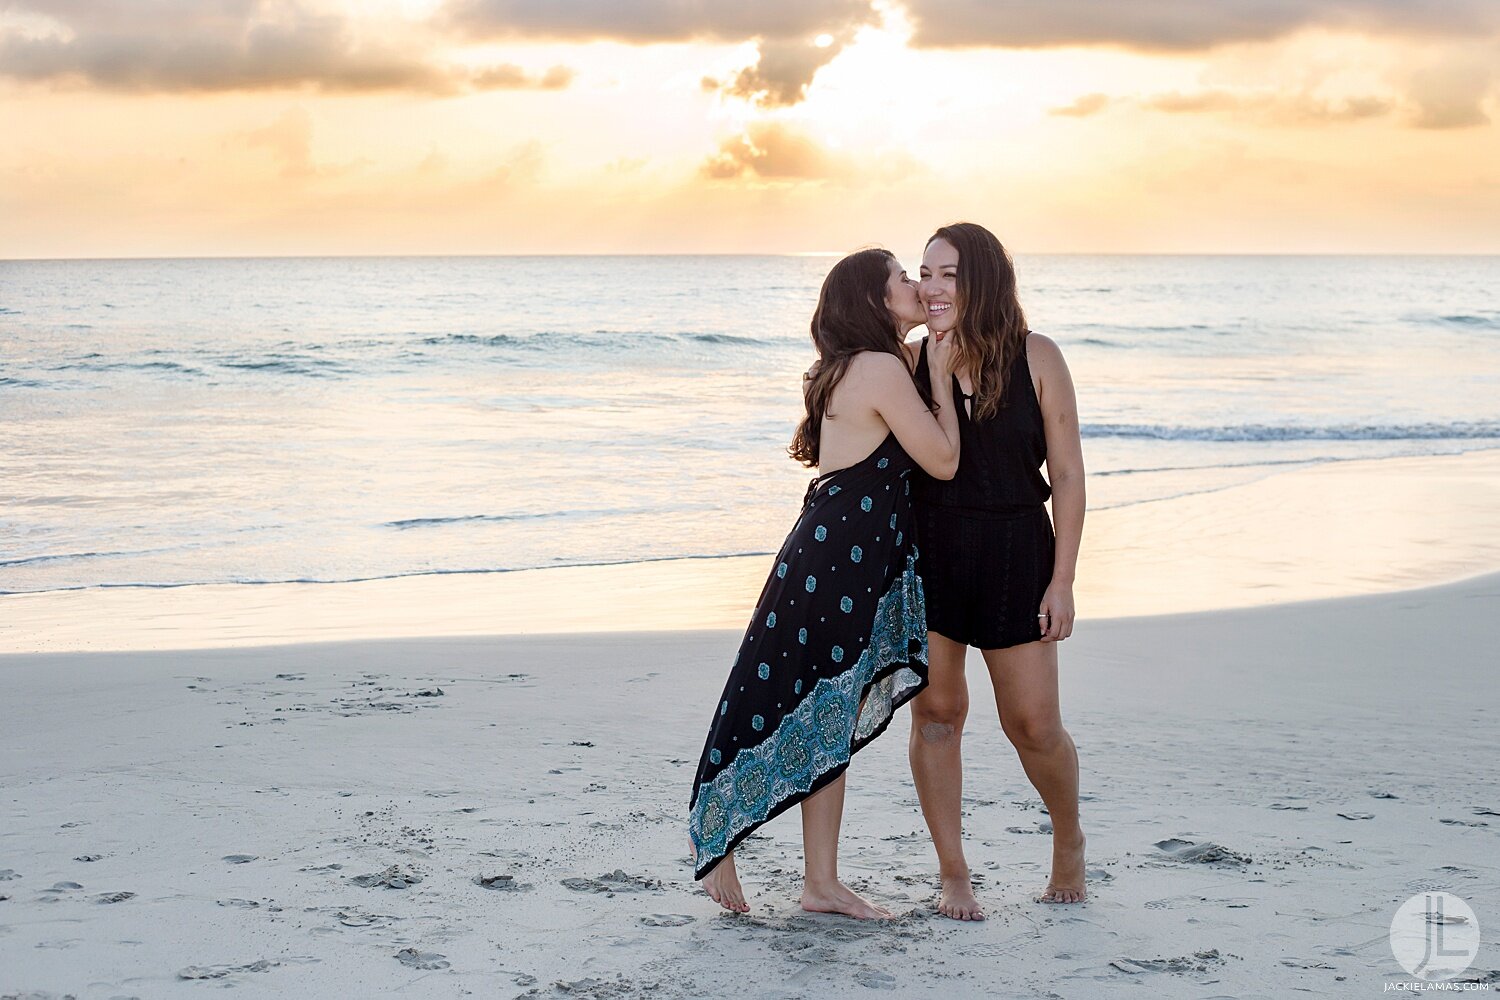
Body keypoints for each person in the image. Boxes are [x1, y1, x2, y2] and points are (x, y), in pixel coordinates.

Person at [689, 248, 961, 918]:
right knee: (798, 702)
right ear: (872, 300)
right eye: (900, 277)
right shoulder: (876, 367)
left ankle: (818, 882)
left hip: (830, 550)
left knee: (815, 709)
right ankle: (725, 839)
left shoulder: (852, 366)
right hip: (841, 557)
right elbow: (943, 461)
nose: (912, 285)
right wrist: (946, 380)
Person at [905, 223, 1087, 918]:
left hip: (1018, 551)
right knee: (938, 714)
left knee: (1033, 725)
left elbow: (1067, 474)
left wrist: (1062, 578)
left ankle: (1067, 836)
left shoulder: (1037, 355)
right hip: (933, 555)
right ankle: (954, 871)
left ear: (982, 279)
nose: (932, 287)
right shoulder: (912, 363)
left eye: (948, 273)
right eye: (925, 273)